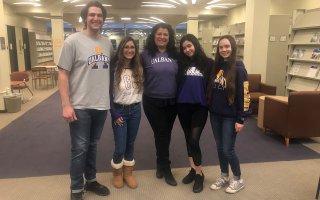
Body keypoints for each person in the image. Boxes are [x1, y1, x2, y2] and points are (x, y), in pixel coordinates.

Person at [57, 1, 112, 200]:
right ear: (85, 18)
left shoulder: (107, 43)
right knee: (79, 148)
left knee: (93, 145)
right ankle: (76, 188)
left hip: (101, 105)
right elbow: (63, 74)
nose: (96, 18)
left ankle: (91, 180)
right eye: (92, 15)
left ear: (103, 19)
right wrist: (66, 105)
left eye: (99, 15)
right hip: (79, 106)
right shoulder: (72, 41)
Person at [207, 35, 250, 194]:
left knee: (228, 149)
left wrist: (241, 118)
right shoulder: (217, 67)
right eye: (221, 47)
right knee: (219, 148)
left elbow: (244, 95)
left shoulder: (238, 68)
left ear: (233, 48)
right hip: (215, 115)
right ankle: (224, 176)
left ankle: (238, 179)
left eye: (227, 46)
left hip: (230, 117)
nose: (224, 50)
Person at [140, 23, 179, 186]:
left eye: (166, 34)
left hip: (172, 101)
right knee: (161, 131)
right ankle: (166, 167)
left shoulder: (176, 54)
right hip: (152, 101)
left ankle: (159, 163)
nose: (162, 37)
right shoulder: (145, 54)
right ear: (153, 35)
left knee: (165, 133)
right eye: (159, 34)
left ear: (170, 38)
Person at [177, 34, 213, 193]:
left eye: (189, 46)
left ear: (196, 45)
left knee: (193, 139)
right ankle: (192, 169)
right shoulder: (180, 63)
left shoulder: (208, 63)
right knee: (187, 138)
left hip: (200, 107)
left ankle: (199, 173)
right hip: (183, 106)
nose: (187, 49)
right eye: (184, 48)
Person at [109, 37, 143, 189]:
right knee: (120, 146)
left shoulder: (139, 67)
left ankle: (128, 173)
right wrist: (114, 113)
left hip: (135, 109)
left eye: (132, 47)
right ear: (121, 49)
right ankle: (117, 173)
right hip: (120, 110)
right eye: (126, 47)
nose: (129, 50)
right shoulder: (114, 68)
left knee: (131, 143)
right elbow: (108, 92)